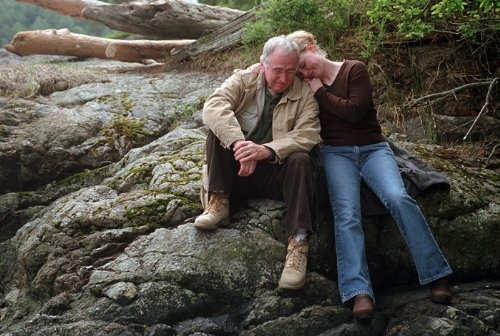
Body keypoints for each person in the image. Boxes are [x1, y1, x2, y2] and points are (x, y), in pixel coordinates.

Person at [287, 30, 453, 321]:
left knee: (398, 197)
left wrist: (320, 91)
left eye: (304, 63)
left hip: (374, 149)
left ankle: (436, 274)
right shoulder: (304, 84)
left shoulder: (354, 69)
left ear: (312, 48)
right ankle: (359, 292)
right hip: (336, 154)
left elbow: (354, 112)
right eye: (298, 70)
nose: (304, 71)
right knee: (347, 214)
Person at [194, 35, 322, 290]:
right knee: (217, 131)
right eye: (277, 70)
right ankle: (218, 201)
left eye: (290, 71)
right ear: (262, 64)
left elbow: (309, 134)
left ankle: (298, 244)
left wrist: (265, 150)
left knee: (301, 159)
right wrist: (239, 144)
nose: (283, 78)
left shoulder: (305, 93)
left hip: (274, 174)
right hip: (236, 172)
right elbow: (213, 106)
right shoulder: (244, 79)